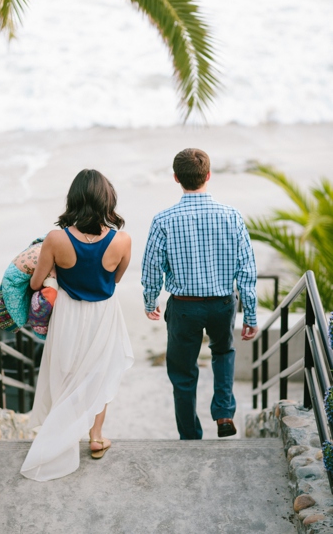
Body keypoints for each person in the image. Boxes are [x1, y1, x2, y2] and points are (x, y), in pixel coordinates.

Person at [20, 169, 134, 481]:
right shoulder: (122, 240)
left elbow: (35, 282)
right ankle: (96, 437)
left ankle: (62, 433)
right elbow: (115, 280)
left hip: (68, 313)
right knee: (101, 372)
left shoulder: (56, 239)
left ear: (74, 199)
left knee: (66, 371)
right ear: (107, 200)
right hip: (104, 314)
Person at [142, 148, 258, 441]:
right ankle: (223, 414)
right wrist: (251, 315)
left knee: (182, 373)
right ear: (208, 175)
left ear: (176, 178)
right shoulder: (231, 216)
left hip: (183, 307)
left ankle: (190, 435)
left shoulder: (163, 220)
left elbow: (153, 267)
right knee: (223, 352)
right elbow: (246, 270)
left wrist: (150, 300)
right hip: (222, 304)